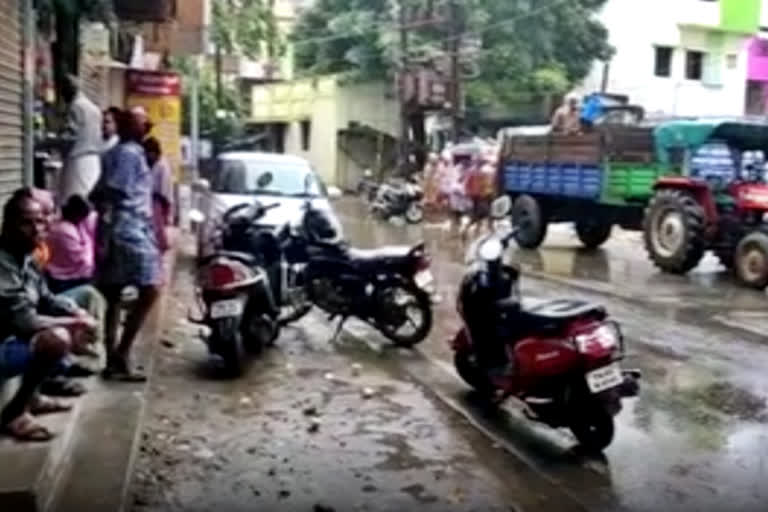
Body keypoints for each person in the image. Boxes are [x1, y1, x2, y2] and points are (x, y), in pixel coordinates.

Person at [0, 188, 98, 441]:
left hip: (11, 338)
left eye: (40, 222)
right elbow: (25, 321)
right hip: (4, 341)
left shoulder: (28, 257)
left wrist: (75, 311)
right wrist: (75, 322)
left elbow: (46, 298)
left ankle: (34, 395)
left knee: (81, 305)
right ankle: (14, 413)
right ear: (8, 226)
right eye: (26, 223)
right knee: (56, 339)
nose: (36, 229)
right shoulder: (3, 262)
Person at [95, 109, 162, 382]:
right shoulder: (130, 154)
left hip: (117, 227)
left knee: (113, 293)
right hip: (130, 228)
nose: (146, 122)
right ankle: (120, 354)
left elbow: (101, 190)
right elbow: (116, 189)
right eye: (140, 118)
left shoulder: (114, 152)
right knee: (150, 289)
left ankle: (112, 357)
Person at [59, 76, 103, 204]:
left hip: (78, 161)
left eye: (63, 92)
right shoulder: (94, 108)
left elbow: (70, 137)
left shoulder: (75, 107)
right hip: (93, 161)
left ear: (69, 90)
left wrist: (47, 143)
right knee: (85, 202)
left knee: (72, 202)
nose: (62, 96)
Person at [46, 195, 97, 295]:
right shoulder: (64, 230)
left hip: (63, 276)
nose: (83, 220)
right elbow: (83, 260)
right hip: (64, 279)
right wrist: (88, 243)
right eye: (82, 216)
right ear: (75, 214)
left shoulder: (68, 225)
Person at [144, 137, 174, 282]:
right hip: (148, 202)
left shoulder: (162, 165)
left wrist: (164, 211)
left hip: (157, 204)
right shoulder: (147, 164)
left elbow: (164, 191)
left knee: (157, 239)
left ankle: (158, 272)